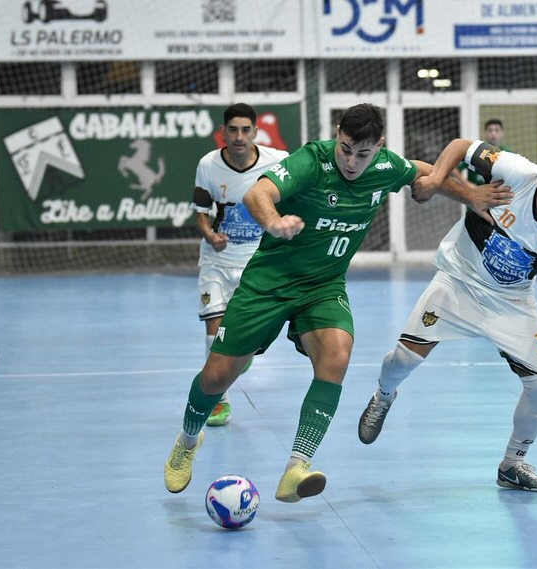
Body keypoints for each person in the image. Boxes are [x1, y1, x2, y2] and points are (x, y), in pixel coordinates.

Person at [163, 103, 513, 502]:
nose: (351, 160)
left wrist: (468, 194)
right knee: (216, 377)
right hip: (269, 283)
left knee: (337, 353)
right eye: (345, 148)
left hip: (323, 286)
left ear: (377, 147)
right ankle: (188, 442)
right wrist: (274, 222)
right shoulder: (313, 161)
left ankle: (297, 467)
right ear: (338, 134)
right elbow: (259, 193)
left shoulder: (384, 166)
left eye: (362, 153)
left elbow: (420, 171)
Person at [358, 137, 537, 493]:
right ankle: (384, 394)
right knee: (403, 360)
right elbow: (460, 146)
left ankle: (512, 464)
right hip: (457, 282)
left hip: (511, 302)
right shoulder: (515, 171)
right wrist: (437, 179)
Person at [192, 103, 290, 427]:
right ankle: (219, 400)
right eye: (232, 129)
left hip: (257, 263)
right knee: (212, 333)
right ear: (223, 132)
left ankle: (241, 358)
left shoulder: (277, 161)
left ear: (255, 132)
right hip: (216, 264)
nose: (238, 136)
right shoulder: (207, 164)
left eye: (245, 130)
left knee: (248, 343)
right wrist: (209, 235)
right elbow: (201, 211)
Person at [454, 118, 512, 186]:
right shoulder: (475, 149)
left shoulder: (507, 153)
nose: (493, 133)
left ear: (502, 133)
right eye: (490, 130)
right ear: (485, 133)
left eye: (497, 130)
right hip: (476, 192)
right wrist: (468, 184)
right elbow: (455, 170)